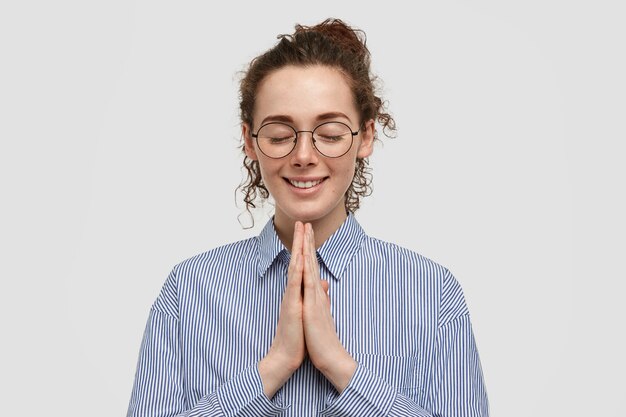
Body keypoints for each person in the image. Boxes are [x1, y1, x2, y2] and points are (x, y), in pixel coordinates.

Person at [127, 18, 489, 417]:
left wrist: (341, 368)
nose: (303, 156)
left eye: (330, 133)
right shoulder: (188, 291)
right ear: (250, 141)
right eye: (280, 134)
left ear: (365, 137)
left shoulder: (432, 294)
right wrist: (271, 369)